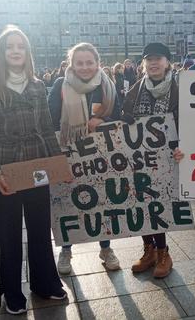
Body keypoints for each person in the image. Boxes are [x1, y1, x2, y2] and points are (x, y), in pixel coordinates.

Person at [0, 26, 67, 315]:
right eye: (9, 46)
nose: (15, 51)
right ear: (1, 52)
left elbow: (47, 130)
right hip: (6, 170)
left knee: (40, 228)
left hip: (37, 167)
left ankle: (44, 283)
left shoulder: (37, 85)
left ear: (27, 52)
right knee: (9, 233)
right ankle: (11, 292)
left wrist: (59, 164)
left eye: (20, 46)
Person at [48, 42, 121, 275]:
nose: (85, 67)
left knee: (102, 201)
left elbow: (119, 117)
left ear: (98, 63)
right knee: (67, 203)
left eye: (89, 62)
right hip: (69, 157)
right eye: (79, 62)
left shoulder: (108, 86)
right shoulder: (60, 85)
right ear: (72, 64)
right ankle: (66, 251)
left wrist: (103, 123)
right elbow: (49, 121)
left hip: (101, 156)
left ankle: (106, 248)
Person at [121, 42, 185, 279]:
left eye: (158, 58)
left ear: (168, 63)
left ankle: (163, 253)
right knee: (141, 202)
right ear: (143, 64)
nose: (153, 63)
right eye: (149, 59)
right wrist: (125, 119)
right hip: (139, 158)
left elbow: (188, 121)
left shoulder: (179, 89)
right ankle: (148, 250)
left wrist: (183, 146)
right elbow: (123, 118)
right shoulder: (136, 89)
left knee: (159, 205)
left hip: (167, 157)